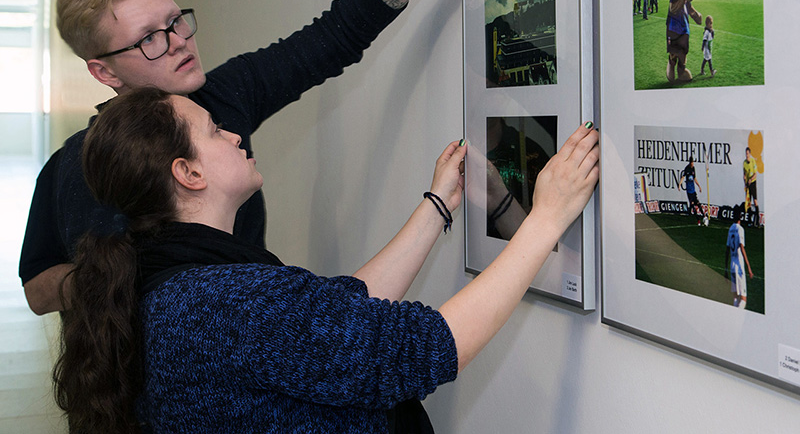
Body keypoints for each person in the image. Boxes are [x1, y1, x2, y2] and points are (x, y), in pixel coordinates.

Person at [19, 0, 492, 316]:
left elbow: (332, 37)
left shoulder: (220, 97)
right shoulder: (80, 167)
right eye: (149, 39)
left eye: (175, 21)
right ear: (105, 73)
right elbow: (39, 289)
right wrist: (122, 279)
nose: (180, 41)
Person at [52, 88, 599, 433]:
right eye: (215, 131)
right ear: (188, 173)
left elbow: (335, 317)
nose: (236, 133)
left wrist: (436, 206)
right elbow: (428, 346)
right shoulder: (221, 301)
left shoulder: (174, 284)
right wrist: (546, 218)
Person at [726, 205, 753, 309]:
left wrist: (725, 268)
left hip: (732, 266)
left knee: (735, 298)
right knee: (743, 299)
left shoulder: (730, 229)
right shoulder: (740, 229)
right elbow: (742, 247)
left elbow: (727, 249)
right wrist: (749, 267)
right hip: (739, 267)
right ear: (741, 216)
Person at [678, 157, 706, 225]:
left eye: (693, 163)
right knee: (693, 205)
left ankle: (704, 217)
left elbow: (695, 178)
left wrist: (699, 186)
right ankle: (698, 220)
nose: (693, 164)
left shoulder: (693, 168)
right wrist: (679, 185)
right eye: (692, 163)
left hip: (693, 191)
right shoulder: (687, 168)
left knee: (698, 204)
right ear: (690, 163)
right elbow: (683, 177)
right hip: (689, 191)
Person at [743, 146, 759, 226]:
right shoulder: (744, 163)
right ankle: (749, 220)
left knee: (755, 201)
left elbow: (755, 174)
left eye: (748, 154)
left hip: (753, 183)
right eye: (746, 154)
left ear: (750, 154)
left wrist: (750, 179)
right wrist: (745, 180)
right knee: (748, 202)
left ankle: (757, 221)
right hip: (748, 184)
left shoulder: (753, 162)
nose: (747, 155)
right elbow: (744, 174)